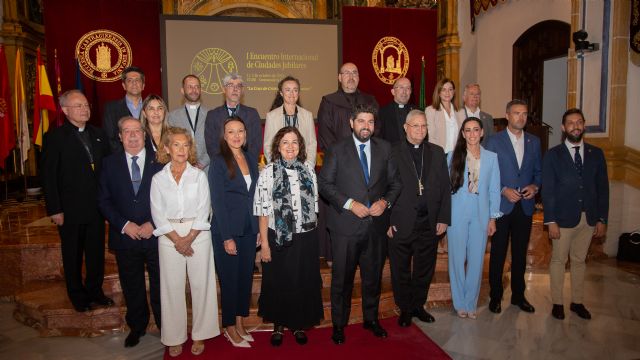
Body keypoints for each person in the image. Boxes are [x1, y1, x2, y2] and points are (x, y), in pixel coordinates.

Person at [318, 104, 402, 345]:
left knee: (372, 277)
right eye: (362, 121)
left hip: (375, 227)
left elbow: (396, 184)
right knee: (341, 279)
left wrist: (385, 203)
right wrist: (349, 203)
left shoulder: (385, 148)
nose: (366, 126)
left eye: (371, 122)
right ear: (351, 123)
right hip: (345, 227)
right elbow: (324, 184)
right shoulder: (336, 149)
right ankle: (339, 324)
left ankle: (371, 319)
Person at [150, 127, 220, 357]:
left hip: (197, 234)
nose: (181, 149)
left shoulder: (199, 176)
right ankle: (174, 337)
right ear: (167, 148)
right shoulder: (158, 179)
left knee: (202, 286)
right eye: (176, 145)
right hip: (169, 235)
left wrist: (188, 238)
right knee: (172, 288)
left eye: (185, 145)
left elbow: (204, 209)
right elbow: (157, 213)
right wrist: (177, 239)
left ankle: (200, 334)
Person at [41, 89, 113, 312]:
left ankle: (95, 290)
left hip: (96, 208)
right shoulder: (55, 138)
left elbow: (108, 170)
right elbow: (48, 175)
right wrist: (55, 209)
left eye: (86, 105)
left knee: (95, 253)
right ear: (65, 110)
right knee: (72, 254)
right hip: (69, 210)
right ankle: (77, 295)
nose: (84, 109)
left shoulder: (99, 134)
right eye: (78, 106)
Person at [254, 126, 323, 347]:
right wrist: (264, 244)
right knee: (279, 281)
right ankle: (279, 326)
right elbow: (263, 210)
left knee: (302, 281)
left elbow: (315, 207)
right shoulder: (268, 172)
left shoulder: (309, 171)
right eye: (285, 142)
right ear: (278, 146)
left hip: (306, 237)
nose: (290, 147)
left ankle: (298, 324)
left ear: (300, 146)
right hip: (279, 237)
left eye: (294, 142)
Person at [98, 117, 163, 348]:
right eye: (127, 131)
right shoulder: (109, 163)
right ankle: (137, 326)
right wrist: (125, 225)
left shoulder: (160, 161)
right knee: (131, 284)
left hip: (155, 235)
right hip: (125, 237)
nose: (133, 136)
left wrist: (153, 224)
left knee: (160, 284)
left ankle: (165, 325)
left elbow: (169, 199)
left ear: (145, 135)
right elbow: (104, 201)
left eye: (137, 131)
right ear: (119, 136)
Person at [543, 108, 609, 321]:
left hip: (588, 219)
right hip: (562, 219)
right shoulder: (553, 155)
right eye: (570, 123)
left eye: (579, 122)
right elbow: (549, 190)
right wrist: (550, 220)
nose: (575, 126)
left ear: (584, 125)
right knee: (559, 261)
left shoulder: (596, 154)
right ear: (563, 128)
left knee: (580, 261)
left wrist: (602, 218)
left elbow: (602, 188)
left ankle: (577, 302)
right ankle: (557, 303)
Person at [388, 110, 450, 327]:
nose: (420, 130)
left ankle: (418, 305)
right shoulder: (392, 152)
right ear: (406, 128)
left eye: (423, 126)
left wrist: (443, 217)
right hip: (400, 220)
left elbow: (445, 187)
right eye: (415, 126)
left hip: (429, 221)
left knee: (425, 268)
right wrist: (387, 221)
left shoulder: (437, 152)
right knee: (400, 269)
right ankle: (405, 308)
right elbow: (383, 188)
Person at [485, 100, 541, 314]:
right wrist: (502, 189)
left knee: (519, 254)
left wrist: (535, 186)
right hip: (501, 206)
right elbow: (487, 173)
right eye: (516, 113)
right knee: (498, 253)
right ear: (507, 115)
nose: (521, 117)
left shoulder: (534, 141)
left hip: (525, 206)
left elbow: (539, 171)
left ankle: (518, 295)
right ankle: (495, 296)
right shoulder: (493, 141)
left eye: (525, 114)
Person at [209, 117, 259, 348]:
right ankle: (229, 327)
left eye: (240, 130)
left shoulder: (250, 158)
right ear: (224, 135)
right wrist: (227, 236)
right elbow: (218, 202)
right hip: (227, 231)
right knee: (229, 281)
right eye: (231, 131)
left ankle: (239, 323)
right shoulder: (218, 162)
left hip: (249, 229)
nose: (237, 135)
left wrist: (258, 229)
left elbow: (255, 196)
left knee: (244, 279)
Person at [447, 117, 501, 319]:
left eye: (475, 129)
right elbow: (446, 189)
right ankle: (459, 302)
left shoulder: (492, 158)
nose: (472, 134)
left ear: (482, 132)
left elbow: (495, 190)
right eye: (467, 130)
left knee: (477, 261)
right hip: (457, 213)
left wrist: (493, 218)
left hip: (481, 214)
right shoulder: (452, 156)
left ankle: (471, 303)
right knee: (457, 259)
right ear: (462, 133)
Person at [317, 62, 379, 151]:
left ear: (358, 77)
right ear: (340, 78)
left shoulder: (370, 101)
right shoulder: (328, 102)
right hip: (339, 156)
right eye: (347, 73)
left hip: (366, 152)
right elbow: (325, 133)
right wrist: (338, 154)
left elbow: (377, 128)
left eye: (354, 73)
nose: (351, 77)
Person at [204, 74, 262, 160]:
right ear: (224, 89)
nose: (235, 89)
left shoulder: (252, 114)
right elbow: (211, 146)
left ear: (242, 91)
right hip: (221, 167)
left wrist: (245, 163)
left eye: (238, 86)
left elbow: (256, 144)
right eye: (231, 85)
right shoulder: (213, 115)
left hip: (247, 165)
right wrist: (224, 164)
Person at [263, 76, 317, 167]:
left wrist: (308, 165)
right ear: (281, 93)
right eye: (288, 90)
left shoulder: (307, 115)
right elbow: (268, 145)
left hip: (303, 166)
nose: (292, 93)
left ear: (298, 93)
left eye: (295, 90)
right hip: (279, 167)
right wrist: (277, 166)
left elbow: (312, 144)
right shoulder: (271, 116)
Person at [168, 75, 210, 171]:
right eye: (190, 87)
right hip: (181, 168)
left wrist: (202, 163)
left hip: (206, 169)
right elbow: (170, 143)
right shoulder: (172, 116)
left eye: (197, 87)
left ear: (201, 90)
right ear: (182, 91)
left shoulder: (210, 115)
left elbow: (215, 144)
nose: (194, 90)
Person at [103, 66, 145, 152]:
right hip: (121, 157)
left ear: (143, 85)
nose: (134, 83)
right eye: (130, 80)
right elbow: (109, 138)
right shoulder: (111, 108)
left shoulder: (151, 108)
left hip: (148, 158)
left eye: (137, 80)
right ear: (124, 86)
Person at [426, 78, 461, 154]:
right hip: (439, 154)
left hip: (457, 155)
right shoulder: (431, 110)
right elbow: (431, 137)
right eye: (444, 90)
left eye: (450, 89)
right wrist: (438, 154)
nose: (447, 93)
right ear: (438, 92)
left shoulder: (460, 112)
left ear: (454, 92)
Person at [379, 77, 416, 144]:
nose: (404, 91)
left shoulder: (416, 112)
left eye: (408, 88)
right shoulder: (382, 113)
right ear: (393, 92)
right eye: (401, 87)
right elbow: (378, 139)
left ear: (410, 92)